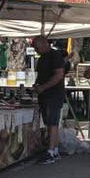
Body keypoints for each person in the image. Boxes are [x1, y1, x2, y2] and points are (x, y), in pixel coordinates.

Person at [32, 36, 66, 165]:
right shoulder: (41, 58)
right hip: (44, 94)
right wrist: (37, 85)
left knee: (53, 122)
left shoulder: (55, 56)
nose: (36, 50)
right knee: (50, 122)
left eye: (37, 47)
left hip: (54, 94)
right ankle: (54, 149)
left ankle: (51, 151)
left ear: (45, 44)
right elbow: (41, 75)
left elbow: (59, 75)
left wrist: (44, 87)